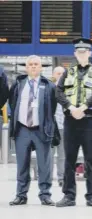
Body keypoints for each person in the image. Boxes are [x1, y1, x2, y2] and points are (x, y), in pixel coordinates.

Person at [55, 38, 92, 207]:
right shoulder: (68, 72)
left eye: (85, 51)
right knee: (70, 159)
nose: (82, 54)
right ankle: (69, 196)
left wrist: (82, 108)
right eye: (79, 52)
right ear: (75, 53)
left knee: (90, 159)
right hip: (71, 121)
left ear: (90, 53)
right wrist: (70, 107)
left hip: (90, 121)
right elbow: (58, 92)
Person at [9, 55, 56, 206]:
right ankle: (21, 195)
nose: (33, 66)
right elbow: (13, 102)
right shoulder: (18, 84)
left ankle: (45, 195)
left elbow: (52, 107)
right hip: (22, 128)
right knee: (22, 164)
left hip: (41, 130)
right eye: (30, 64)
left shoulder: (48, 85)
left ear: (41, 67)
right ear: (26, 67)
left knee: (44, 164)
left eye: (36, 64)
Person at [51, 66, 66, 187]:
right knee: (48, 154)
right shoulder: (48, 88)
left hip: (65, 127)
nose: (60, 75)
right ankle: (47, 176)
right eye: (58, 73)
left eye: (62, 73)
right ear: (54, 75)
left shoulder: (69, 89)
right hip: (51, 127)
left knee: (62, 154)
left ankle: (61, 177)